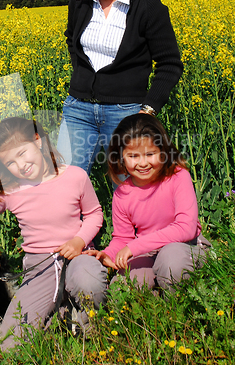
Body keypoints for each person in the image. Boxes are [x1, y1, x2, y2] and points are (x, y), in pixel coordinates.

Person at [0, 117, 107, 349]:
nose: (21, 165)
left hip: (80, 255)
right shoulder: (10, 189)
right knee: (10, 346)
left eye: (23, 153)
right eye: (10, 163)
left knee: (91, 282)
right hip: (40, 266)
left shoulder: (75, 176)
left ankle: (84, 322)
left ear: (39, 142)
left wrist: (79, 240)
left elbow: (95, 214)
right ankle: (59, 314)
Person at [58, 0, 183, 174]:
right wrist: (84, 78)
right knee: (63, 186)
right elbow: (72, 41)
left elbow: (170, 64)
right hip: (78, 109)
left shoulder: (148, 6)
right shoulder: (79, 0)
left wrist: (147, 111)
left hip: (125, 113)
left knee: (128, 188)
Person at [85, 113, 211, 292]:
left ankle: (178, 311)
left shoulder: (178, 176)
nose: (143, 163)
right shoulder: (122, 193)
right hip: (146, 252)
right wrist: (108, 254)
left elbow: (186, 228)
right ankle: (151, 308)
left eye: (150, 154)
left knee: (171, 261)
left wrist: (134, 247)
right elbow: (123, 238)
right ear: (121, 157)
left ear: (163, 151)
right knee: (124, 288)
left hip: (186, 246)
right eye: (133, 156)